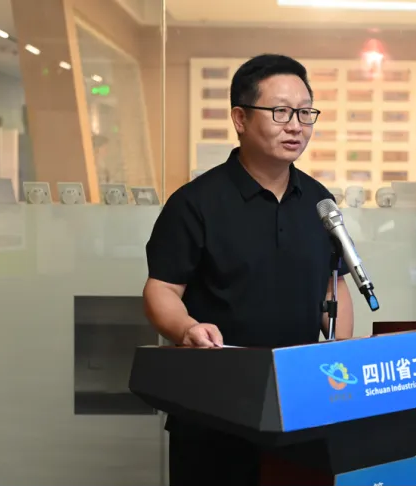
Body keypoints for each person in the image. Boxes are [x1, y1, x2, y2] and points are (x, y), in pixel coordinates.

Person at [142, 54, 355, 486]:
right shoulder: (195, 203)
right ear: (240, 118)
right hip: (214, 408)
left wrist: (337, 357)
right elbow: (161, 289)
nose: (296, 126)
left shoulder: (319, 201)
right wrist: (187, 329)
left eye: (305, 112)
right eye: (280, 112)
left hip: (300, 406)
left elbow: (333, 286)